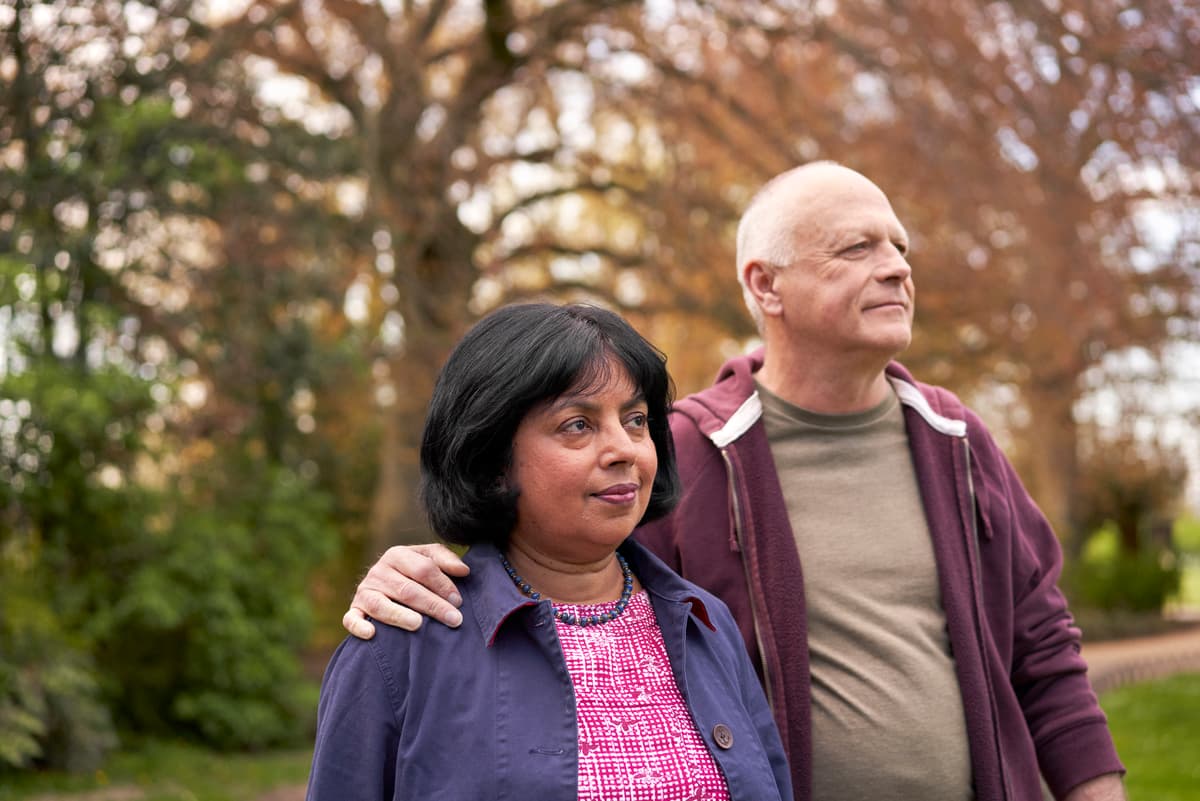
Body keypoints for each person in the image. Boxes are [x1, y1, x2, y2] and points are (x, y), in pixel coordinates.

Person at [342, 163, 1126, 801]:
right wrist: (412, 570)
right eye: (857, 249)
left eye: (900, 247)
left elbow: (1044, 647)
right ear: (766, 285)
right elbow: (546, 555)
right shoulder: (697, 449)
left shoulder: (956, 439)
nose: (895, 266)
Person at [308, 303, 792, 801]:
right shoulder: (402, 640)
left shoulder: (705, 624)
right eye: (577, 424)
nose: (623, 448)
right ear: (494, 460)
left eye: (636, 419)